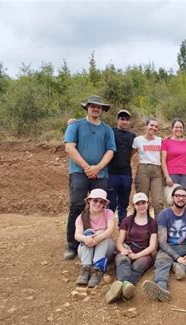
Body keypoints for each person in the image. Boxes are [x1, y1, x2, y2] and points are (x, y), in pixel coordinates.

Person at [64, 95, 116, 260]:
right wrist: (87, 167)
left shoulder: (107, 129)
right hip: (79, 172)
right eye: (93, 106)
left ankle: (98, 240)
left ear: (102, 110)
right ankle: (72, 244)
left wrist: (98, 167)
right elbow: (69, 148)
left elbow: (110, 151)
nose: (96, 109)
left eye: (99, 107)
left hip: (101, 173)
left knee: (100, 208)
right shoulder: (76, 125)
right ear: (87, 107)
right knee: (77, 206)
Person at [106, 192, 158, 303]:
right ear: (134, 206)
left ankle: (119, 288)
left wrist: (137, 255)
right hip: (127, 248)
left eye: (143, 202)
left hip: (143, 252)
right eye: (138, 203)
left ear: (148, 204)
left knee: (137, 267)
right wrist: (123, 250)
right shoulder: (127, 220)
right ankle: (126, 290)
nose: (141, 206)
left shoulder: (153, 223)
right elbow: (119, 242)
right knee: (122, 261)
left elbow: (152, 246)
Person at [74, 189, 115, 288]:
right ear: (89, 201)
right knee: (88, 233)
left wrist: (98, 237)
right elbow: (77, 235)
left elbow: (110, 230)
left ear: (104, 203)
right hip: (87, 250)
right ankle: (86, 268)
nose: (98, 204)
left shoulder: (108, 213)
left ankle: (98, 269)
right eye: (95, 200)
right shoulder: (82, 217)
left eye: (101, 202)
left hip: (105, 248)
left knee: (103, 233)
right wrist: (86, 238)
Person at [106, 110, 136, 226]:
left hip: (126, 174)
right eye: (122, 119)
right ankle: (107, 228)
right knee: (111, 204)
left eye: (127, 119)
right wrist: (72, 122)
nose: (124, 121)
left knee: (123, 204)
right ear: (117, 120)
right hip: (112, 173)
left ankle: (123, 228)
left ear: (130, 122)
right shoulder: (110, 132)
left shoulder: (132, 136)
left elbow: (133, 152)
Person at [132, 117, 164, 217]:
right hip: (143, 169)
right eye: (151, 125)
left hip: (157, 171)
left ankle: (160, 227)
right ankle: (143, 224)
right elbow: (131, 154)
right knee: (142, 199)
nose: (154, 128)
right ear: (146, 126)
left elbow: (164, 157)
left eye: (156, 126)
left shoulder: (160, 140)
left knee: (158, 201)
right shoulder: (138, 140)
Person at [161, 119, 186, 208]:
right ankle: (171, 220)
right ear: (172, 129)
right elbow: (163, 160)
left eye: (181, 127)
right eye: (176, 127)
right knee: (172, 199)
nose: (178, 129)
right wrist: (167, 176)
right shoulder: (166, 142)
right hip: (172, 174)